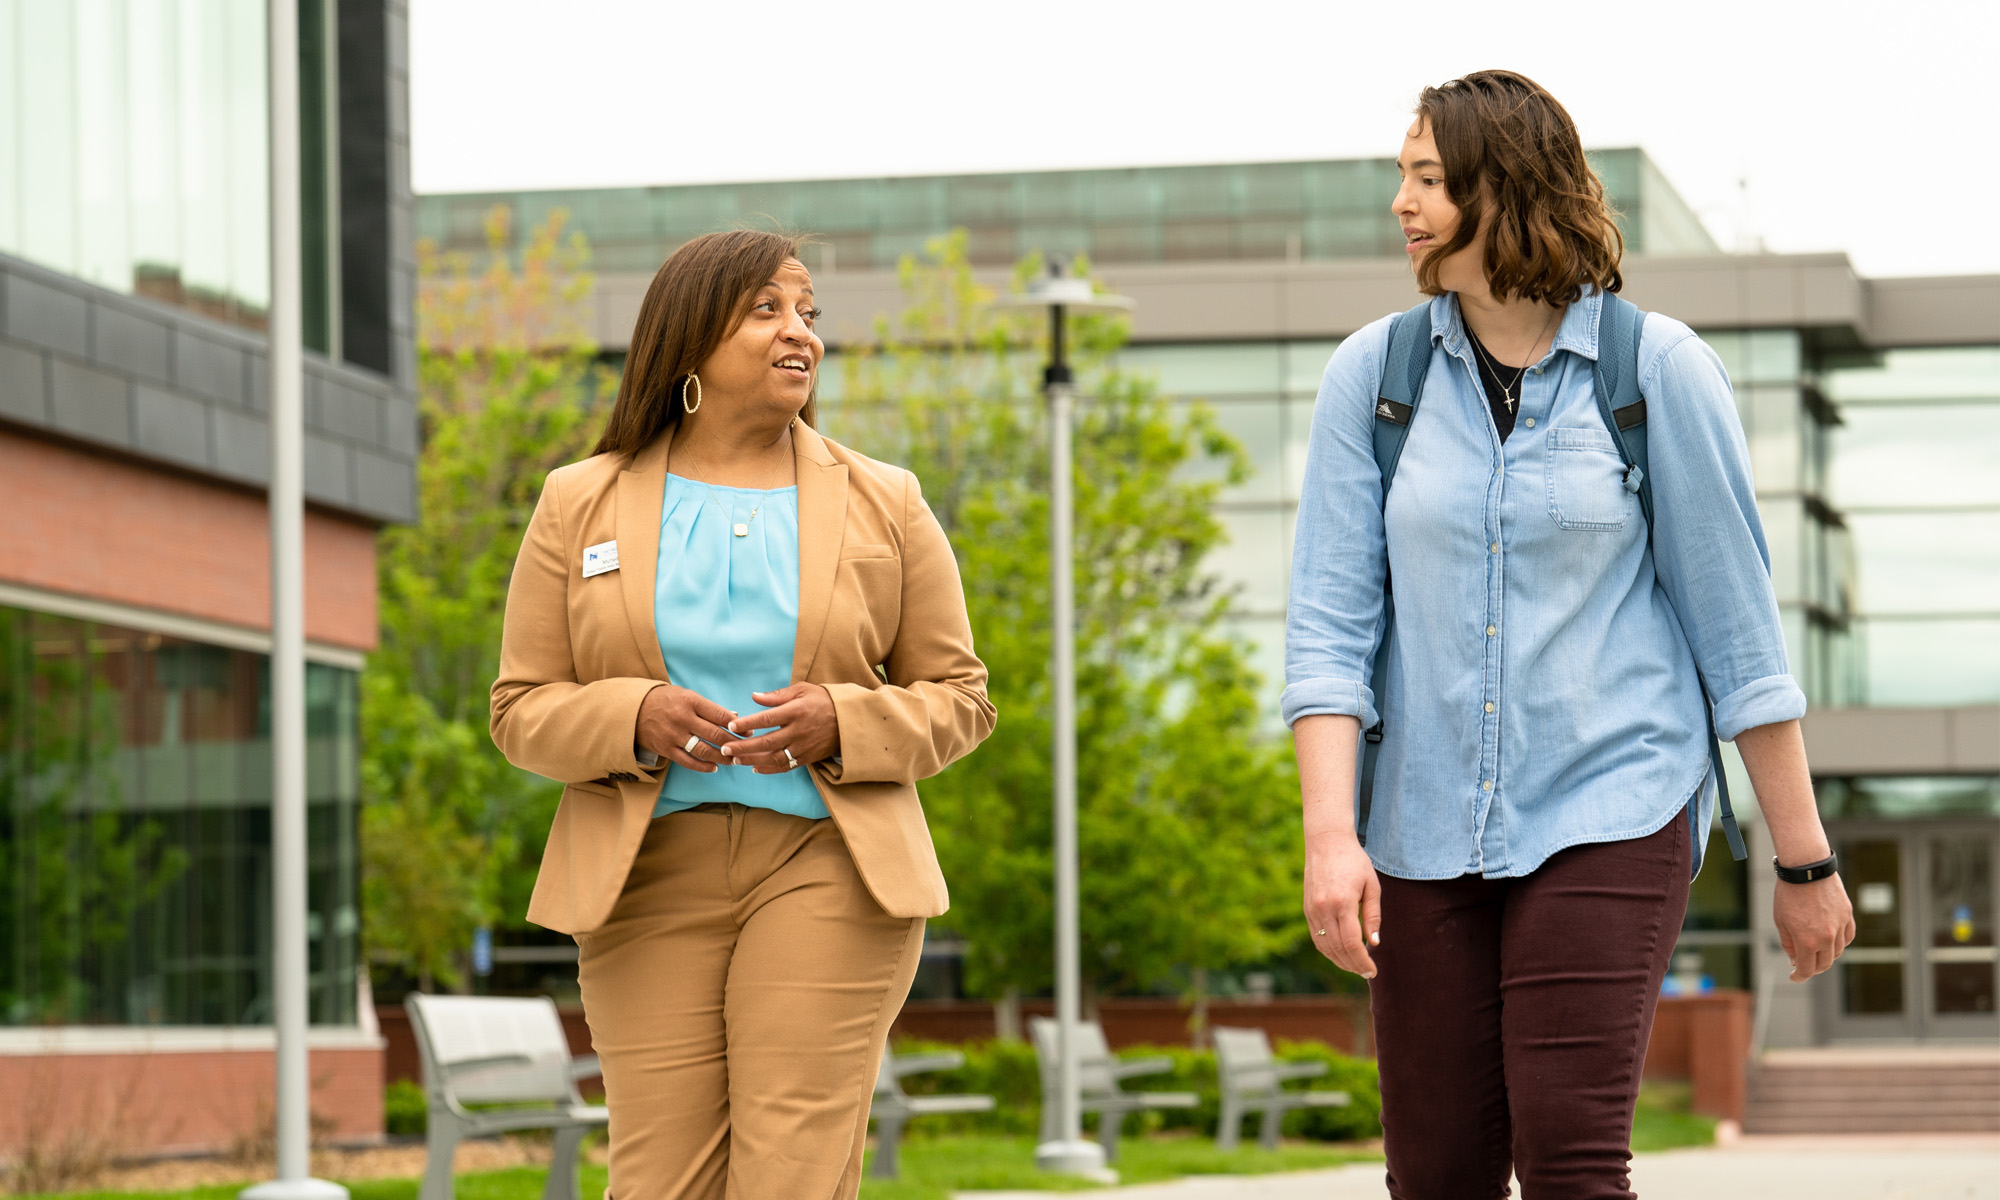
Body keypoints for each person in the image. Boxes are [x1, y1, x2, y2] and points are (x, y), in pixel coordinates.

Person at [1284, 71, 1855, 1197]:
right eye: (1400, 176)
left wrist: (1802, 861)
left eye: (1427, 177)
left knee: (1568, 1154)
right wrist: (1327, 837)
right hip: (1418, 825)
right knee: (1436, 1173)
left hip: (1611, 801)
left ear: (1505, 187)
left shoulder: (1654, 372)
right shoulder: (1374, 380)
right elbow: (1327, 633)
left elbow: (1737, 644)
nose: (1399, 203)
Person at [490, 229, 995, 1199]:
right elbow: (520, 708)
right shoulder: (576, 500)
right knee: (660, 1182)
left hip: (829, 867)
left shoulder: (885, 499)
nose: (796, 332)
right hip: (642, 877)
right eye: (766, 309)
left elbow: (959, 698)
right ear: (689, 336)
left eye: (807, 313)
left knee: (788, 1174)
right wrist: (629, 715)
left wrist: (845, 720)